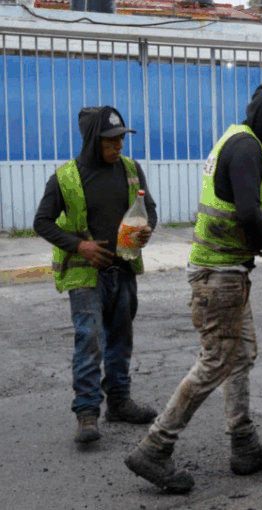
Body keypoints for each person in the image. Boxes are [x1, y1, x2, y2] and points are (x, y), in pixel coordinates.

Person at [124, 84, 262, 493]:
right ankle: (154, 448)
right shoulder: (246, 148)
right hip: (218, 276)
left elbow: (240, 211)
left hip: (227, 271)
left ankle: (245, 446)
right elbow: (247, 212)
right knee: (215, 362)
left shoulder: (239, 140)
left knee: (240, 356)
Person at [33, 106, 158, 444]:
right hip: (85, 274)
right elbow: (41, 222)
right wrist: (79, 246)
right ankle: (87, 413)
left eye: (121, 139)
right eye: (110, 140)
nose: (119, 146)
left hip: (123, 269)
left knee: (121, 339)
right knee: (89, 340)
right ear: (92, 140)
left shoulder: (131, 169)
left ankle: (119, 402)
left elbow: (149, 209)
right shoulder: (65, 177)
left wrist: (147, 228)